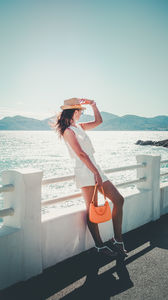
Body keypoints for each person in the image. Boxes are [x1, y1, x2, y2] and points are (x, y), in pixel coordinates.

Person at [54, 97, 128, 258]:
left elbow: (99, 121)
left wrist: (94, 105)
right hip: (85, 170)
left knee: (118, 199)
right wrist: (95, 172)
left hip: (95, 168)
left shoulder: (79, 127)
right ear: (75, 111)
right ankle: (100, 246)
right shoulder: (68, 131)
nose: (82, 113)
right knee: (92, 208)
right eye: (81, 110)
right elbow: (80, 154)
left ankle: (117, 240)